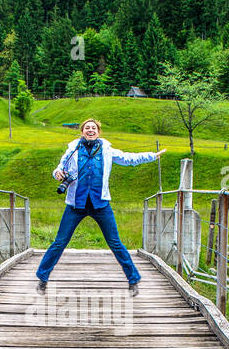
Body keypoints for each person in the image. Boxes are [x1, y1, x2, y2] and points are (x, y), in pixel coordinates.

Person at [36, 118, 165, 295]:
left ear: (98, 132)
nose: (90, 130)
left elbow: (128, 158)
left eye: (93, 128)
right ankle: (42, 278)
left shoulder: (107, 150)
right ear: (82, 132)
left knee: (115, 243)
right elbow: (60, 167)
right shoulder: (72, 149)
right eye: (87, 128)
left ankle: (133, 279)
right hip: (76, 204)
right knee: (60, 242)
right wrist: (57, 173)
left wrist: (152, 156)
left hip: (100, 203)